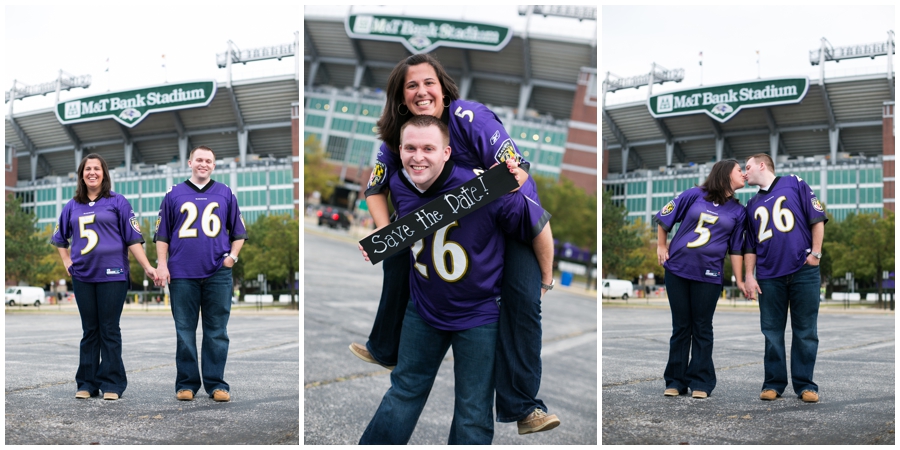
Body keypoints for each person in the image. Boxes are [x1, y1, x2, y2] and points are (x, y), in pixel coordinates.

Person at [350, 53, 558, 434]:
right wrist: (388, 238)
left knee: (524, 300)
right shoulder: (400, 136)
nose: (421, 91)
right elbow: (375, 190)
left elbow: (518, 171)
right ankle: (385, 346)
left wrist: (492, 186)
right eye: (411, 85)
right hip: (440, 221)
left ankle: (525, 404)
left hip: (507, 211)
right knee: (398, 251)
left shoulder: (468, 118)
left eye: (428, 82)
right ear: (400, 96)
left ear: (443, 87)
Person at [52, 153, 158, 401]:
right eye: (87, 169)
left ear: (104, 173)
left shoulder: (118, 201)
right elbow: (60, 239)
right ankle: (87, 383)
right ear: (81, 174)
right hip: (83, 276)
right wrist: (67, 261)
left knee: (109, 329)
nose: (92, 173)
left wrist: (147, 267)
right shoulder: (71, 206)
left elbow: (133, 239)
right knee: (90, 330)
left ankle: (112, 382)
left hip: (113, 274)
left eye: (96, 169)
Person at [154, 145, 248, 402]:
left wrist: (232, 258)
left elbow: (238, 233)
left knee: (217, 330)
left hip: (218, 273)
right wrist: (162, 265)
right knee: (184, 330)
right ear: (190, 162)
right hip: (182, 273)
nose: (203, 164)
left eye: (208, 160)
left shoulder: (225, 192)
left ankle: (217, 384)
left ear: (214, 165)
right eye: (199, 160)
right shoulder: (173, 194)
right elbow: (162, 235)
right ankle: (186, 384)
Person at [655, 159, 747, 399]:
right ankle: (675, 380)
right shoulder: (694, 194)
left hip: (709, 274)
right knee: (681, 326)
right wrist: (661, 245)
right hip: (677, 269)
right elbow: (665, 217)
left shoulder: (739, 211)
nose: (744, 174)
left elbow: (736, 249)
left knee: (703, 328)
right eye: (740, 170)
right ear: (726, 173)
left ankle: (701, 382)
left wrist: (740, 279)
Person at [741, 153, 827, 403]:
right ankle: (773, 383)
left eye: (747, 167)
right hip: (769, 276)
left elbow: (817, 219)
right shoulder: (750, 204)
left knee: (806, 331)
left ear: (761, 165)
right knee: (771, 332)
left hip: (803, 271)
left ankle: (806, 385)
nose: (744, 173)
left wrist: (816, 255)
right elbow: (750, 246)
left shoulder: (794, 182)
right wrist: (749, 275)